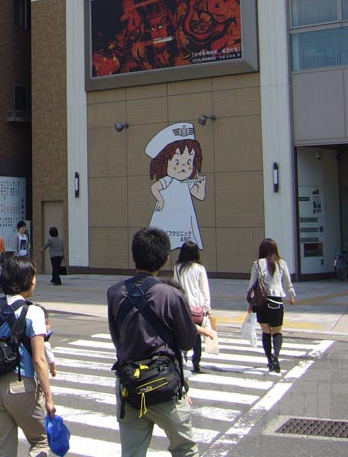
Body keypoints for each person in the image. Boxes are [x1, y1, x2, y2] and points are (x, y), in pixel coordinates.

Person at [107, 227, 215, 457]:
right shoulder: (171, 295)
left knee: (132, 453)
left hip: (130, 384)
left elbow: (117, 337)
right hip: (166, 383)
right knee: (185, 449)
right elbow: (186, 342)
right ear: (166, 258)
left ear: (134, 256)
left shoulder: (114, 293)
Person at [0, 256, 55, 457]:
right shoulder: (34, 312)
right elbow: (39, 359)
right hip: (21, 385)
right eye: (33, 277)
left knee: (4, 448)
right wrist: (49, 398)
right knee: (40, 442)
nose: (35, 281)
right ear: (27, 280)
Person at [145, 124, 207, 249]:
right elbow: (155, 187)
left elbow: (199, 196)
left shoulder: (186, 183)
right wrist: (161, 199)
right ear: (165, 163)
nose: (183, 167)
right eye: (177, 162)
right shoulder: (168, 180)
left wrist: (201, 186)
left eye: (189, 162)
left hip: (184, 216)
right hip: (167, 213)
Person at [247, 238, 296, 373]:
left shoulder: (257, 264)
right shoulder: (282, 263)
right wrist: (291, 296)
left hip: (261, 302)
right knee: (277, 331)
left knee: (266, 332)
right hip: (276, 299)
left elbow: (252, 285)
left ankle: (269, 360)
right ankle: (276, 357)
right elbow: (287, 282)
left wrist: (250, 303)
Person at [172, 241, 210, 373]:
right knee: (197, 335)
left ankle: (184, 358)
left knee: (182, 332)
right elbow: (204, 289)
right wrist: (207, 308)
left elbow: (175, 287)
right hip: (197, 308)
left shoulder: (177, 267)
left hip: (183, 306)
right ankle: (196, 362)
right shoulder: (199, 269)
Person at [41, 305, 57, 377]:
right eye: (46, 323)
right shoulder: (45, 343)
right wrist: (53, 369)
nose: (47, 327)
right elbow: (51, 359)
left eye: (47, 323)